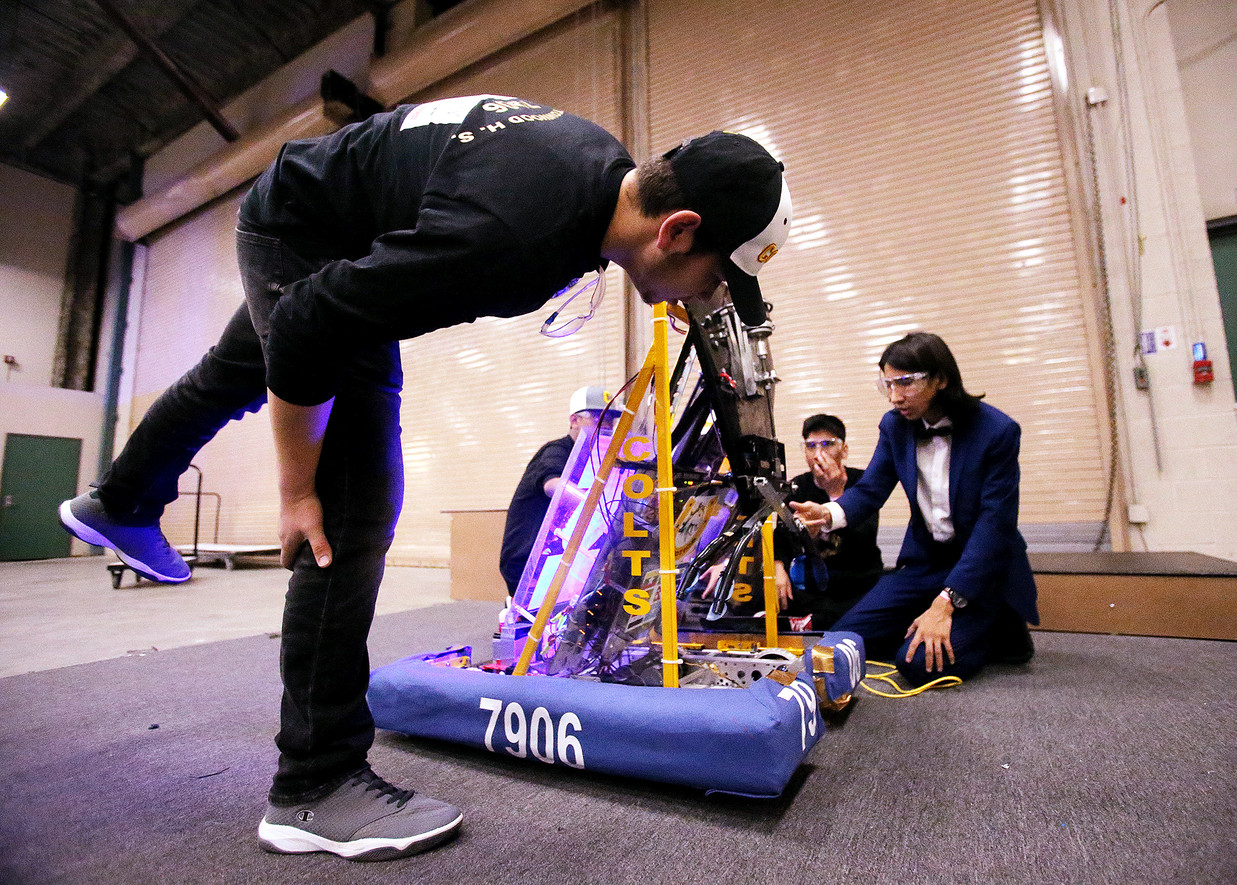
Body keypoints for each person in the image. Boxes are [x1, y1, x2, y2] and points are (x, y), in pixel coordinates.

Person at [58, 94, 793, 862]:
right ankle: (313, 785)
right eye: (714, 276)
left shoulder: (593, 168)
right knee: (352, 501)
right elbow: (311, 323)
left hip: (314, 208)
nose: (705, 296)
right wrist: (296, 489)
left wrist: (666, 282)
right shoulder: (515, 237)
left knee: (239, 370)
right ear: (677, 230)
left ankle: (120, 498)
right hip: (308, 231)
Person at [790, 331, 1037, 687]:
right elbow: (871, 490)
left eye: (905, 383)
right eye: (887, 384)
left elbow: (994, 525)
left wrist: (946, 603)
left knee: (919, 665)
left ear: (941, 379)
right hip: (926, 562)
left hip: (981, 568)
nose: (895, 396)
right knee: (845, 640)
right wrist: (828, 514)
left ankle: (997, 626)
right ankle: (929, 624)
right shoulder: (895, 426)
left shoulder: (997, 431)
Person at [498, 385, 614, 599]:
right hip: (529, 563)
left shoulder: (595, 456)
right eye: (598, 418)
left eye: (610, 420)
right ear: (574, 420)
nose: (606, 425)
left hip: (560, 559)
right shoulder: (556, 451)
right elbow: (553, 485)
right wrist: (590, 501)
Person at [771, 414, 884, 629]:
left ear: (844, 450)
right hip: (811, 586)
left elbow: (864, 537)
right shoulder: (797, 486)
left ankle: (814, 623)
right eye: (810, 446)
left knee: (864, 614)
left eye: (827, 444)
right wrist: (778, 568)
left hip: (856, 582)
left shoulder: (862, 482)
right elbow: (782, 537)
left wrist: (835, 492)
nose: (818, 454)